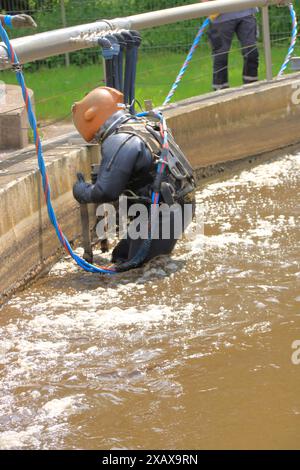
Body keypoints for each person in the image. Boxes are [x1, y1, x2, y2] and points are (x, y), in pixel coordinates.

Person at [72, 87, 196, 270]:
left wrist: (82, 191)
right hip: (177, 203)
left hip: (163, 213)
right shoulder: (142, 125)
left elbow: (106, 191)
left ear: (90, 116)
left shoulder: (119, 140)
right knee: (120, 257)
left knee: (137, 271)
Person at [202, 0, 259, 90]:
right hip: (220, 15)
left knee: (251, 51)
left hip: (246, 10)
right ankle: (220, 92)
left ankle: (252, 87)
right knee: (221, 56)